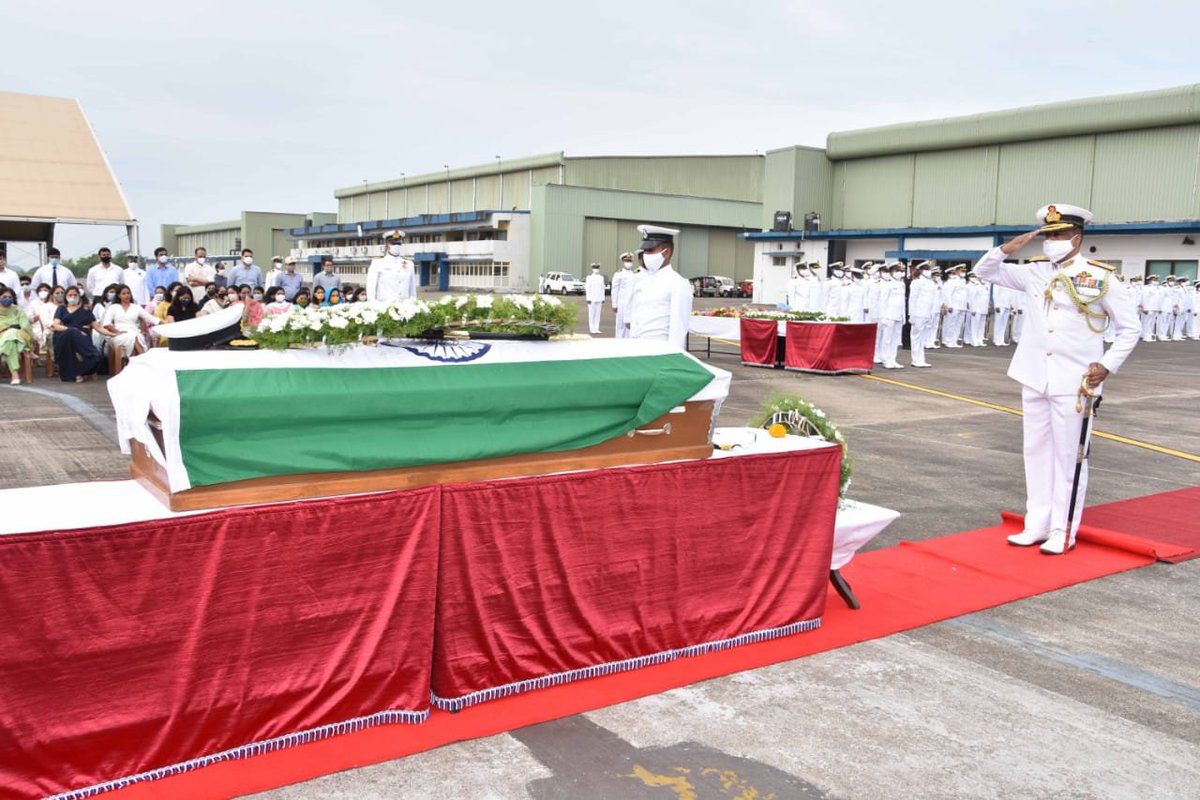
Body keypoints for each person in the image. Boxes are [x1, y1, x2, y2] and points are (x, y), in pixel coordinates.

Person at [976, 203, 1139, 555]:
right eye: (1048, 235)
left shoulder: (1100, 277)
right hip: (1034, 375)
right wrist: (1006, 249)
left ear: (1076, 238)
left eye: (1059, 235)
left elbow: (1130, 328)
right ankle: (1036, 524)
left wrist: (1107, 365)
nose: (1051, 241)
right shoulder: (1034, 272)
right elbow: (984, 271)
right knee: (1034, 452)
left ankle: (1063, 530)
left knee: (1069, 458)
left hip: (1076, 381)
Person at [626, 225, 692, 349]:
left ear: (666, 253)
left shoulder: (677, 283)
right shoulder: (642, 280)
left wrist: (672, 359)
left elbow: (678, 329)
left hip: (659, 353)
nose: (645, 255)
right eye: (644, 251)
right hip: (635, 349)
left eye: (650, 250)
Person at [51, 286, 103, 383]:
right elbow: (56, 325)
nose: (73, 297)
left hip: (82, 336)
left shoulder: (86, 310)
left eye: (75, 295)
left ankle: (78, 372)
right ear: (66, 297)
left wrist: (113, 333)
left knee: (95, 357)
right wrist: (73, 329)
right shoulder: (61, 309)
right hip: (65, 334)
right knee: (70, 334)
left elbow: (98, 327)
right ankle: (74, 373)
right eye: (70, 295)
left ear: (79, 296)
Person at [100, 285, 159, 361]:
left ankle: (133, 363)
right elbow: (106, 324)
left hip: (135, 332)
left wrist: (164, 323)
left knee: (134, 336)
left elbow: (150, 318)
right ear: (119, 295)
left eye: (128, 293)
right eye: (123, 294)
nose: (127, 295)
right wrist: (117, 332)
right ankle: (143, 360)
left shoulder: (136, 307)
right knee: (133, 337)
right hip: (118, 335)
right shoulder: (113, 307)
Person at [366, 230, 416, 301]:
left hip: (405, 308)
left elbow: (412, 290)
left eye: (399, 243)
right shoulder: (377, 264)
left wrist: (413, 304)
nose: (396, 245)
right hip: (385, 308)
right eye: (393, 243)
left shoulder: (409, 264)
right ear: (386, 245)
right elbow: (371, 289)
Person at [0, 287, 33, 384]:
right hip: (6, 340)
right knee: (10, 342)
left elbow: (25, 326)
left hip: (19, 338)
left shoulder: (18, 310)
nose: (7, 299)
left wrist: (8, 328)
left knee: (11, 334)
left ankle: (14, 374)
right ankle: (15, 374)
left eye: (10, 297)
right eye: (4, 296)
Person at [907, 261, 937, 368]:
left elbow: (933, 300)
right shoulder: (916, 282)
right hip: (918, 312)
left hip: (927, 313)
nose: (929, 271)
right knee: (916, 336)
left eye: (929, 269)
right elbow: (912, 299)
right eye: (926, 269)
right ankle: (915, 359)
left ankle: (921, 359)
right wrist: (912, 314)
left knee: (923, 337)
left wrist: (932, 313)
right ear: (921, 270)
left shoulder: (931, 283)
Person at [26, 283, 59, 363]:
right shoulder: (33, 303)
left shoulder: (54, 304)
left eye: (45, 290)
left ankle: (56, 361)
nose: (43, 292)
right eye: (40, 290)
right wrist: (37, 318)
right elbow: (29, 319)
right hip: (36, 327)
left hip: (52, 327)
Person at [612, 253, 636, 339]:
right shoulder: (619, 274)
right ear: (623, 261)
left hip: (631, 304)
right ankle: (618, 341)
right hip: (621, 303)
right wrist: (614, 304)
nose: (629, 262)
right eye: (627, 261)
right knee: (620, 325)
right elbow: (615, 289)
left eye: (630, 261)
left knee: (630, 325)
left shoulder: (635, 274)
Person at [584, 263, 605, 334]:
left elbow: (602, 288)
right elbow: (588, 288)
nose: (596, 270)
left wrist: (603, 298)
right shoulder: (589, 277)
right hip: (592, 298)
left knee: (597, 314)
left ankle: (596, 328)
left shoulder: (601, 277)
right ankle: (592, 328)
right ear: (592, 269)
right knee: (591, 314)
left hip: (599, 298)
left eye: (597, 268)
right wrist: (588, 298)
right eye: (595, 268)